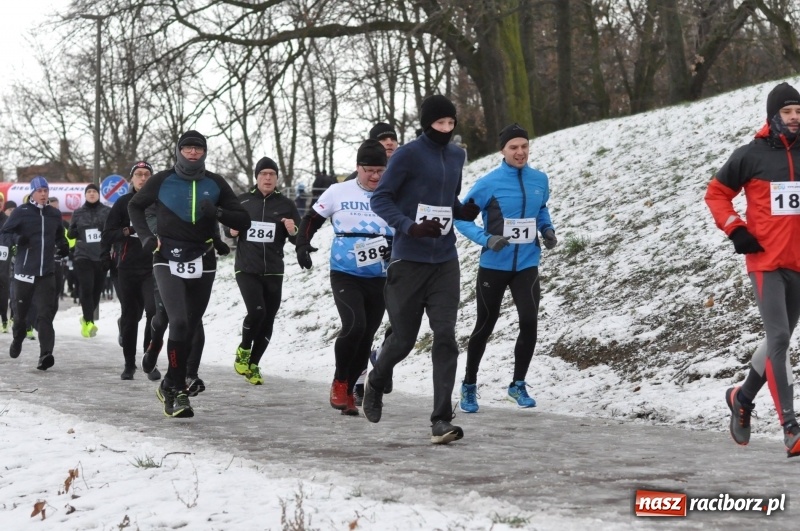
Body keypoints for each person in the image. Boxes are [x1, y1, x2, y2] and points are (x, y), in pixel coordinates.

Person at [365, 95, 480, 444]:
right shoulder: (407, 155)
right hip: (409, 259)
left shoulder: (457, 155)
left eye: (451, 123)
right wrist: (409, 226)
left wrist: (463, 211)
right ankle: (376, 379)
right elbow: (380, 198)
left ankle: (441, 419)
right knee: (403, 339)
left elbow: (448, 199)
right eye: (439, 123)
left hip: (444, 260)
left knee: (445, 336)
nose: (446, 129)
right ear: (427, 123)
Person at [705, 82, 800, 458]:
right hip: (764, 262)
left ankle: (741, 397)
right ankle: (791, 426)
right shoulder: (751, 155)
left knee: (777, 340)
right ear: (774, 115)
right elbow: (716, 193)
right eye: (788, 112)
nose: (795, 118)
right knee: (779, 338)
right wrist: (736, 228)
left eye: (799, 112)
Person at [128, 130, 249, 418]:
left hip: (203, 258)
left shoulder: (215, 182)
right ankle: (176, 387)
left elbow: (242, 219)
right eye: (188, 148)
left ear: (204, 152)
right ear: (179, 151)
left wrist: (218, 213)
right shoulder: (162, 180)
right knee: (178, 321)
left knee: (191, 326)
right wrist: (146, 236)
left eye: (198, 148)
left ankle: (172, 382)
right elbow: (135, 205)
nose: (193, 153)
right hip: (166, 256)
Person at [453, 123, 556, 413]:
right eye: (514, 147)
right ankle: (469, 385)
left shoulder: (540, 179)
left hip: (526, 264)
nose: (520, 152)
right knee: (485, 326)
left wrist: (547, 230)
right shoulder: (489, 183)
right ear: (502, 150)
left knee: (530, 320)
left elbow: (542, 208)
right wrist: (486, 238)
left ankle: (517, 385)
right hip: (494, 266)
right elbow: (461, 218)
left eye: (524, 146)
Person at [296, 140, 392, 416]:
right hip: (345, 273)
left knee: (366, 336)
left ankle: (350, 389)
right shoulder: (339, 191)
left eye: (380, 171)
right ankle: (340, 381)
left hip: (380, 276)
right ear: (357, 168)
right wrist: (302, 244)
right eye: (369, 170)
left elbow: (406, 227)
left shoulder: (392, 193)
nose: (375, 176)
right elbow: (312, 218)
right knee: (354, 325)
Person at [230, 157, 301, 385]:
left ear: (277, 178)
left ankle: (253, 364)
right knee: (257, 312)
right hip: (247, 268)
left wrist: (293, 230)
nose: (268, 178)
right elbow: (226, 229)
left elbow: (297, 237)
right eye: (264, 174)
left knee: (268, 319)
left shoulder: (286, 205)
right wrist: (230, 231)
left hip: (273, 270)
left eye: (272, 174)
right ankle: (243, 349)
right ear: (257, 177)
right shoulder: (242, 201)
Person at [0, 177, 69, 369]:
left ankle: (45, 354)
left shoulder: (54, 214)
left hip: (46, 273)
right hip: (24, 273)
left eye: (46, 190)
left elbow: (59, 236)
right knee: (21, 317)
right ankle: (17, 338)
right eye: (39, 191)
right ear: (32, 193)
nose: (43, 194)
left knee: (45, 314)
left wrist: (63, 246)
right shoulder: (21, 212)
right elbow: (4, 234)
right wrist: (17, 239)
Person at [102, 161, 159, 381]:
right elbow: (107, 235)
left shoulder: (159, 203)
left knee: (153, 312)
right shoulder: (123, 203)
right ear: (132, 179)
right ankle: (129, 364)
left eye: (147, 174)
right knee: (130, 317)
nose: (143, 178)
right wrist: (127, 230)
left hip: (153, 267)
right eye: (138, 174)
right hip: (126, 268)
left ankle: (149, 360)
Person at [68, 183, 112, 338]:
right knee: (86, 288)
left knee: (96, 291)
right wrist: (73, 232)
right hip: (83, 255)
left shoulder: (107, 211)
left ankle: (85, 318)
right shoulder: (78, 212)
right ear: (85, 195)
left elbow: (112, 231)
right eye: (89, 192)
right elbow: (70, 234)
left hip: (100, 256)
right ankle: (88, 322)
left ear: (99, 194)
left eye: (94, 191)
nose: (92, 194)